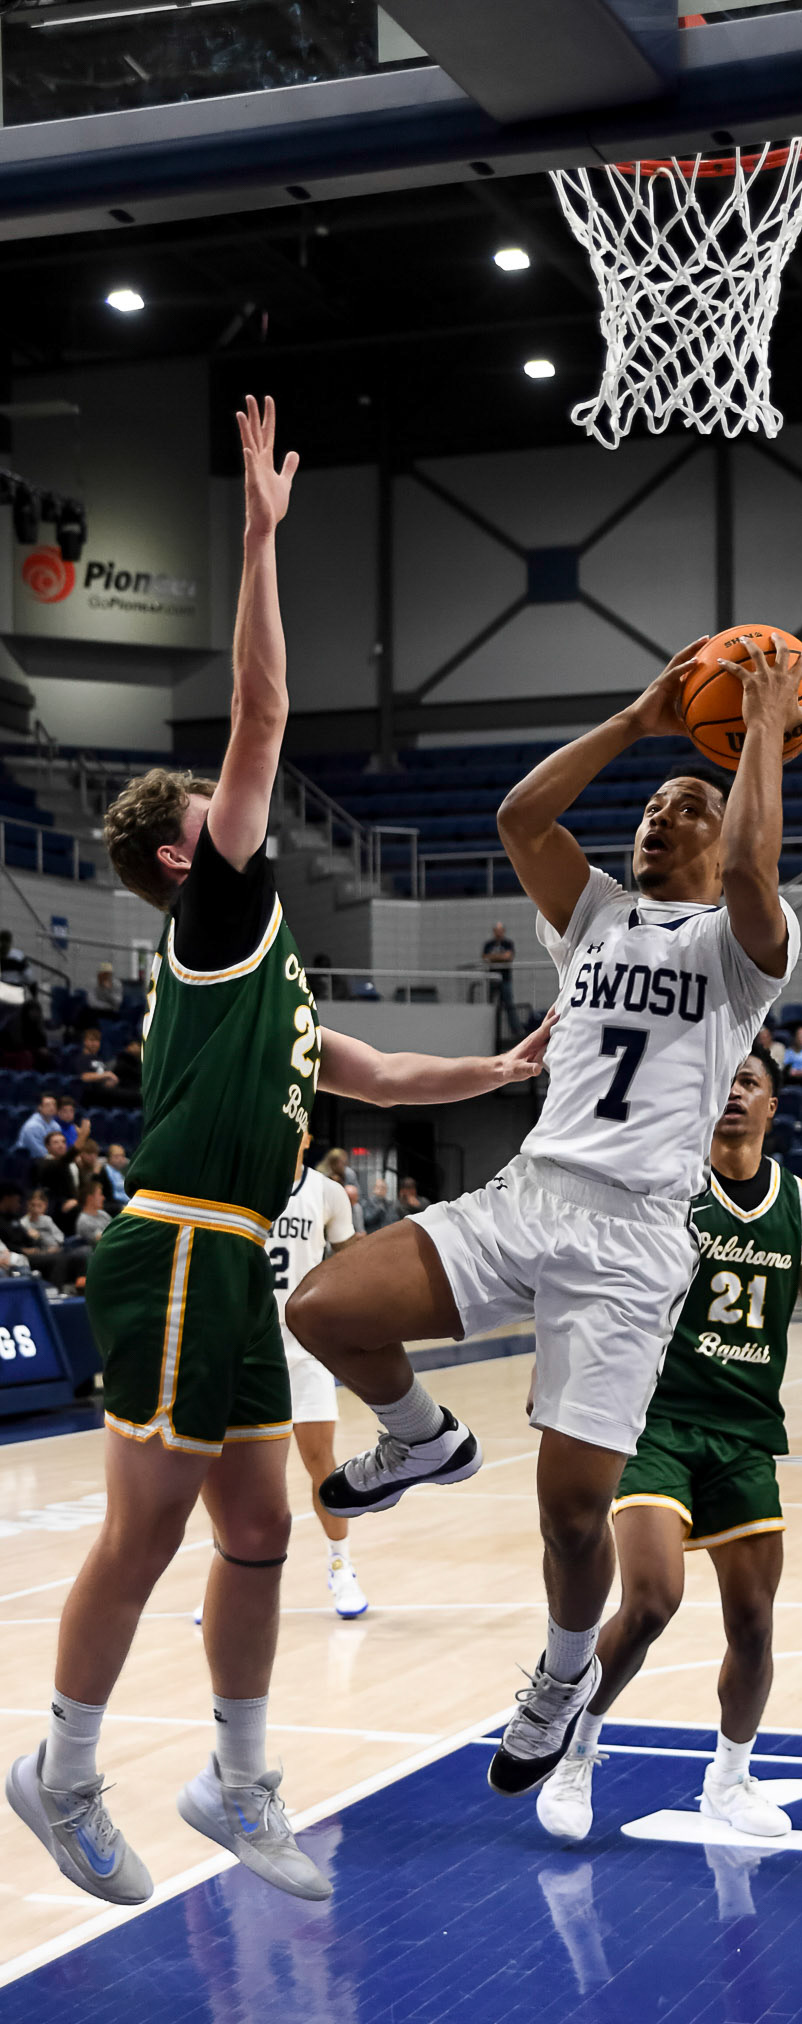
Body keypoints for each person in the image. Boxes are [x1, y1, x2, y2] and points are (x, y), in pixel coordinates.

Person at [6, 395, 558, 1915]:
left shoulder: (264, 977)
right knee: (146, 1529)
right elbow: (258, 716)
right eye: (219, 811)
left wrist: (500, 1067)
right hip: (181, 1240)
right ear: (183, 854)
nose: (239, 807)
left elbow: (367, 1071)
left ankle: (237, 1779)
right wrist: (257, 538)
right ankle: (61, 1769)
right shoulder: (215, 907)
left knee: (259, 1529)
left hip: (232, 1258)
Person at [287, 627, 802, 1804]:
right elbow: (521, 818)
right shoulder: (596, 915)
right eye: (652, 807)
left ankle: (565, 1676)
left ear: (722, 827)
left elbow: (754, 868)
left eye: (684, 805)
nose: (658, 817)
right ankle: (422, 1436)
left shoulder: (742, 949)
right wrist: (635, 720)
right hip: (529, 1195)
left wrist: (761, 733)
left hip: (631, 1242)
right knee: (323, 1305)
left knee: (572, 1517)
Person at [535, 1048, 802, 1840]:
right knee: (651, 1600)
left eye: (749, 1083)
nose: (733, 1092)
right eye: (723, 1081)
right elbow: (592, 1281)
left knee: (754, 1625)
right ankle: (572, 1753)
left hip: (744, 1433)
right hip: (652, 1423)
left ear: (773, 1107)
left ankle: (729, 1780)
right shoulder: (664, 1185)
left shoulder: (801, 1205)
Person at [267, 1137, 368, 1617]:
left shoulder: (327, 1192)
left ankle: (340, 1565)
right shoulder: (240, 1184)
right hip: (250, 1351)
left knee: (321, 1465)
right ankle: (232, 1572)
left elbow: (352, 1260)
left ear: (307, 1134)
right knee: (241, 1475)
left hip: (306, 1349)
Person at [482, 920, 518, 1034]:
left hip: (505, 979)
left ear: (503, 931)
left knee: (509, 1005)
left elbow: (508, 957)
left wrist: (494, 957)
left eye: (500, 930)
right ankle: (489, 1032)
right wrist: (501, 957)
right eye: (497, 930)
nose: (499, 933)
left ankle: (515, 1031)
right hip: (492, 979)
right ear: (494, 931)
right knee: (491, 1006)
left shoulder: (508, 943)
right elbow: (485, 957)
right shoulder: (488, 944)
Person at [13, 1092, 59, 1162]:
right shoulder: (32, 1126)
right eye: (48, 1105)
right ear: (40, 1107)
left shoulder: (55, 1125)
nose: (52, 1107)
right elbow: (40, 1153)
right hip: (25, 1161)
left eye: (54, 1105)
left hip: (47, 1161)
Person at [77, 1028, 119, 1093]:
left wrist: (110, 1081)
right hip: (88, 1093)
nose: (95, 1044)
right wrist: (107, 1074)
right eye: (92, 1040)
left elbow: (103, 1076)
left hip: (104, 1092)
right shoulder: (81, 1058)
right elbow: (84, 1077)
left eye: (97, 1041)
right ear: (84, 1042)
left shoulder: (99, 1059)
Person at [75, 1179, 111, 1248]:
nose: (103, 1198)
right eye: (100, 1194)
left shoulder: (103, 1213)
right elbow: (102, 1241)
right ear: (90, 1198)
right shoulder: (83, 1221)